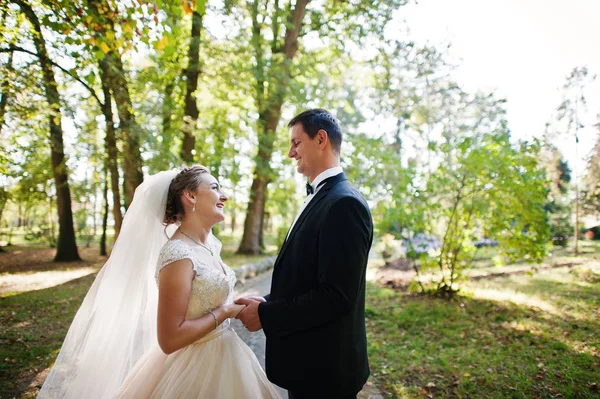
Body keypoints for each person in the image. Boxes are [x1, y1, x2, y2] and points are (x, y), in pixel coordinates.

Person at [38, 165, 281, 399]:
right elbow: (170, 339)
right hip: (195, 368)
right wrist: (226, 311)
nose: (224, 196)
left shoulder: (207, 245)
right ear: (190, 196)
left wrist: (237, 304)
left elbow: (201, 302)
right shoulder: (178, 254)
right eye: (215, 188)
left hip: (229, 355)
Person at [236, 109, 374, 399]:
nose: (290, 153)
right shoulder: (322, 198)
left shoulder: (343, 204)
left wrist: (266, 314)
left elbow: (335, 297)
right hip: (309, 366)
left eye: (296, 143)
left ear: (321, 139)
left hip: (325, 373)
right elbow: (308, 279)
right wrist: (268, 301)